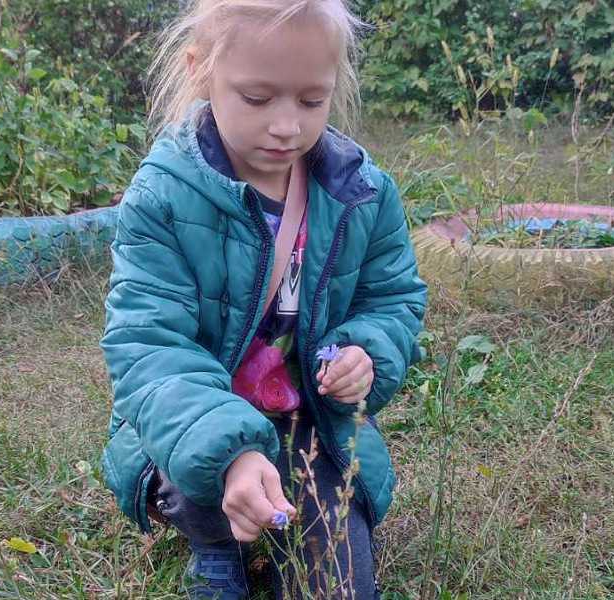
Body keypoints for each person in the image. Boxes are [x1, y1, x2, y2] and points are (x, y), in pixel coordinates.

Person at [99, 1, 427, 597]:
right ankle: (215, 544)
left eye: (312, 100)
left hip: (311, 422)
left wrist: (366, 353)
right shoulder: (161, 196)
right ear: (201, 71)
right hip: (198, 412)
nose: (287, 126)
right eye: (257, 98)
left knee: (339, 586)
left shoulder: (364, 193)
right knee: (194, 470)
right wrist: (230, 453)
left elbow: (394, 299)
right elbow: (149, 346)